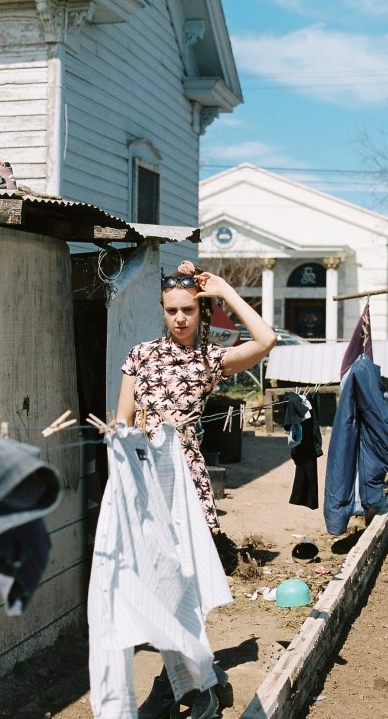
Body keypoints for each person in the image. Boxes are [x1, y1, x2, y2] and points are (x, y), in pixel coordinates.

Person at [116, 260, 276, 719]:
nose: (180, 318)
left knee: (180, 589)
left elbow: (267, 341)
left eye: (188, 309)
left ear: (201, 312)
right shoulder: (140, 355)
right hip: (145, 482)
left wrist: (224, 290)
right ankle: (204, 678)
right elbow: (121, 425)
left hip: (186, 484)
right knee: (157, 591)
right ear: (162, 311)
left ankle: (182, 687)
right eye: (171, 310)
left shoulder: (209, 359)